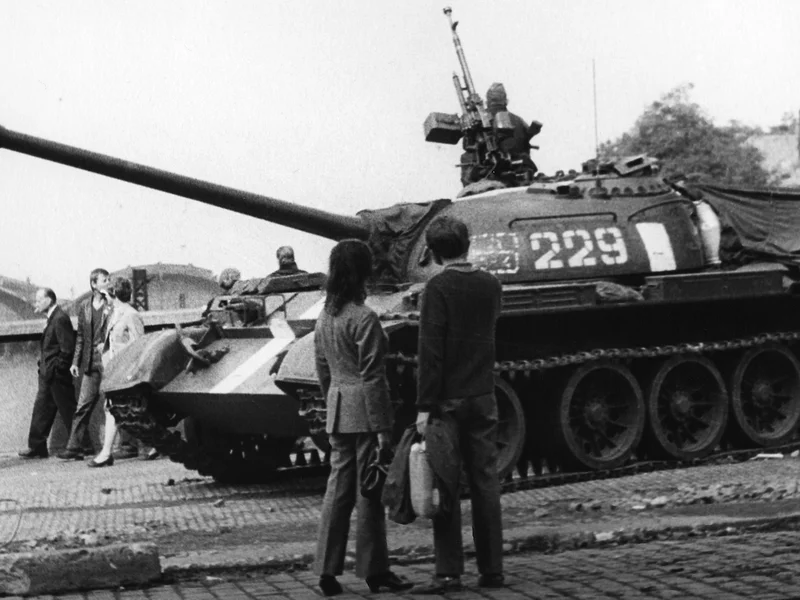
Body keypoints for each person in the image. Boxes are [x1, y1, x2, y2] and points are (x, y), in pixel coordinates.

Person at [313, 239, 412, 597]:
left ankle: (326, 571)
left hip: (339, 409)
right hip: (367, 415)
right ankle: (375, 571)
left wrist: (334, 404)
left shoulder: (326, 316)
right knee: (369, 493)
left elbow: (322, 369)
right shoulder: (364, 317)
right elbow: (373, 376)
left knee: (337, 492)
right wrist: (383, 428)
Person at [412, 216, 505, 594]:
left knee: (446, 482)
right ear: (468, 244)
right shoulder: (490, 284)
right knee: (486, 482)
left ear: (433, 253)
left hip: (447, 401)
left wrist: (423, 406)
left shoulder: (437, 288)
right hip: (483, 394)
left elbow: (430, 352)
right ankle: (492, 570)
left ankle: (449, 572)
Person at [58, 268, 136, 459]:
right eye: (104, 280)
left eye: (109, 279)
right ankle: (74, 447)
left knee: (118, 403)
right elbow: (80, 337)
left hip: (109, 360)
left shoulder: (114, 306)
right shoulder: (84, 306)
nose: (108, 283)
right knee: (83, 405)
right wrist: (75, 362)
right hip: (90, 363)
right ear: (94, 284)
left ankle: (128, 445)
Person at [88, 277, 148, 467]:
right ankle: (108, 452)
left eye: (106, 294)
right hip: (115, 369)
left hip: (126, 371)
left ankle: (107, 453)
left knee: (117, 409)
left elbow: (140, 345)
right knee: (112, 408)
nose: (104, 297)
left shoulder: (131, 315)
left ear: (112, 294)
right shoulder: (116, 314)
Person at [18, 288, 77, 459]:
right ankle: (37, 446)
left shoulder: (60, 318)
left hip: (55, 374)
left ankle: (81, 445)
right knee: (41, 409)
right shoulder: (53, 318)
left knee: (68, 409)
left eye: (38, 300)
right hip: (48, 373)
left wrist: (57, 368)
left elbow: (67, 348)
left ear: (49, 300)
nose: (35, 303)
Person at [460, 82, 542, 186]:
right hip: (523, 170)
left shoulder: (478, 121)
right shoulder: (518, 120)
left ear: (487, 101)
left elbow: (467, 146)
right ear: (506, 101)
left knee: (466, 157)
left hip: (490, 173)